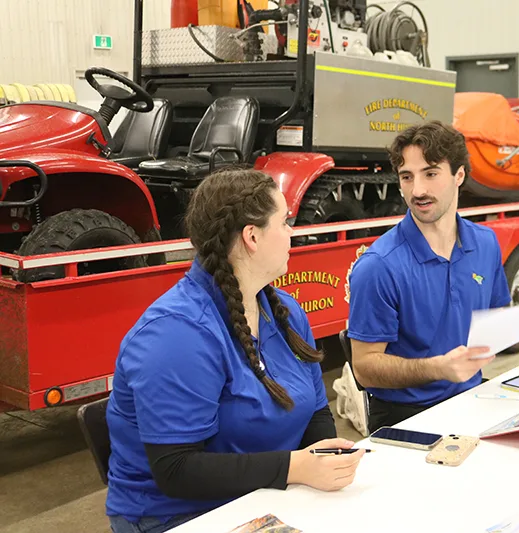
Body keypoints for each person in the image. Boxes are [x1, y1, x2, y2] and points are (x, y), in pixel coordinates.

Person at [105, 169, 365, 533]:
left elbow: (315, 408)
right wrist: (295, 468)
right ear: (252, 236)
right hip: (178, 516)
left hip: (264, 495)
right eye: (285, 222)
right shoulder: (177, 334)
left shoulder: (283, 311)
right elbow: (176, 470)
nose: (292, 233)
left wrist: (324, 457)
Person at [347, 121, 519, 432]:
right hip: (407, 415)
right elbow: (366, 368)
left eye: (431, 173)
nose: (418, 190)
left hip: (471, 398)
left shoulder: (485, 243)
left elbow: (498, 324)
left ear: (459, 176)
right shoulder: (379, 266)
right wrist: (438, 368)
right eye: (407, 177)